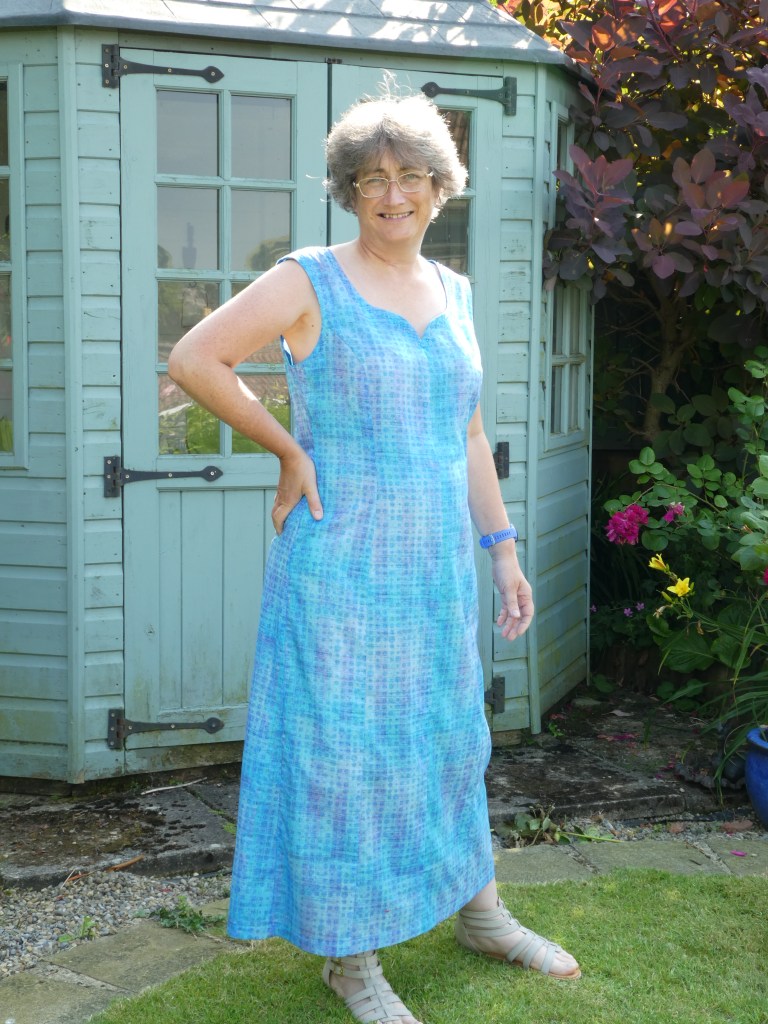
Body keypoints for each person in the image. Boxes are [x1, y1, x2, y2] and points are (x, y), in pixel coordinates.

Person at [168, 87, 580, 1024]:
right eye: (370, 179)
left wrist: (503, 550)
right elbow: (194, 359)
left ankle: (481, 914)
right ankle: (351, 961)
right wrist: (289, 450)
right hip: (342, 570)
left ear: (441, 187)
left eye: (410, 176)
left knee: (449, 741)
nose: (392, 194)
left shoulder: (456, 292)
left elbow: (465, 433)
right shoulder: (309, 280)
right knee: (345, 759)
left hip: (434, 574)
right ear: (348, 190)